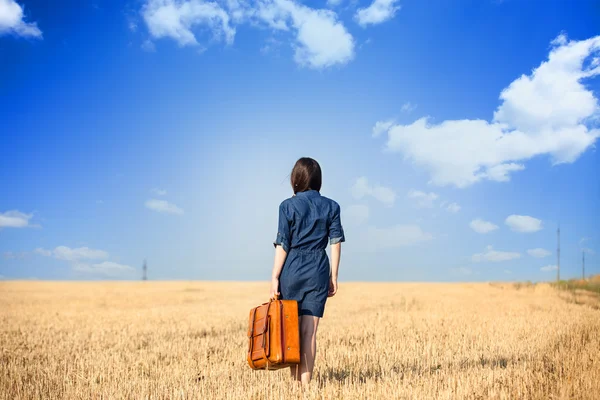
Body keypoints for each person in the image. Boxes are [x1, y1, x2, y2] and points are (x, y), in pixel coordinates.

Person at [269, 157, 345, 385]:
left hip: (292, 269)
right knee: (309, 333)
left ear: (295, 179)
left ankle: (294, 387)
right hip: (318, 269)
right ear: (318, 180)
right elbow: (336, 242)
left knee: (291, 332)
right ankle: (305, 388)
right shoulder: (332, 206)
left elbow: (283, 243)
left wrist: (274, 276)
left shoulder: (287, 206)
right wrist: (334, 276)